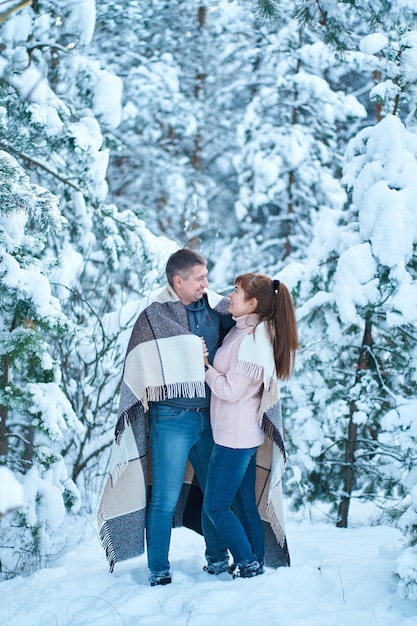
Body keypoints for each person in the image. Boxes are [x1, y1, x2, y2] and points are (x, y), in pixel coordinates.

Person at [97, 249, 234, 586]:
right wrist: (189, 350)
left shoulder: (216, 310)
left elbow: (249, 326)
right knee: (163, 499)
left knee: (216, 496)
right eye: (199, 278)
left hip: (210, 417)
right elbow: (140, 365)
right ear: (179, 281)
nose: (206, 283)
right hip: (170, 419)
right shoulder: (154, 317)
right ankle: (159, 570)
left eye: (206, 276)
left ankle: (217, 561)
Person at [202, 273, 298, 578]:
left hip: (235, 438)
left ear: (253, 303)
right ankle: (254, 559)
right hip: (239, 435)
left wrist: (204, 368)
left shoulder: (251, 341)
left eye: (236, 292)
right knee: (244, 505)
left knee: (216, 506)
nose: (230, 295)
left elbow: (230, 390)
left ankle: (248, 564)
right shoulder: (244, 330)